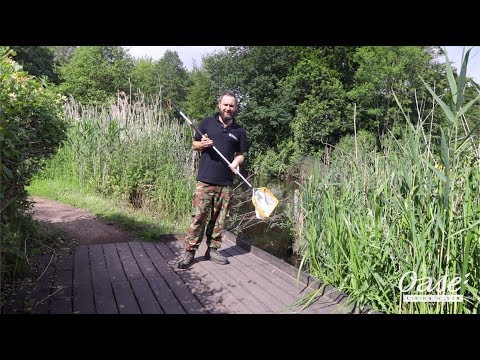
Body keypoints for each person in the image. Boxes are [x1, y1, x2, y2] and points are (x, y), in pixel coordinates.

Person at [177, 90, 247, 269]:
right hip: (205, 180)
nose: (228, 108)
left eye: (232, 106)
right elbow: (194, 144)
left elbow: (241, 155)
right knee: (198, 217)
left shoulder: (239, 131)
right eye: (225, 105)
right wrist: (203, 144)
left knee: (219, 219)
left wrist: (236, 162)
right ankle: (190, 251)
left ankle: (213, 249)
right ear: (219, 105)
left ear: (236, 108)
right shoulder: (207, 123)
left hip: (226, 182)